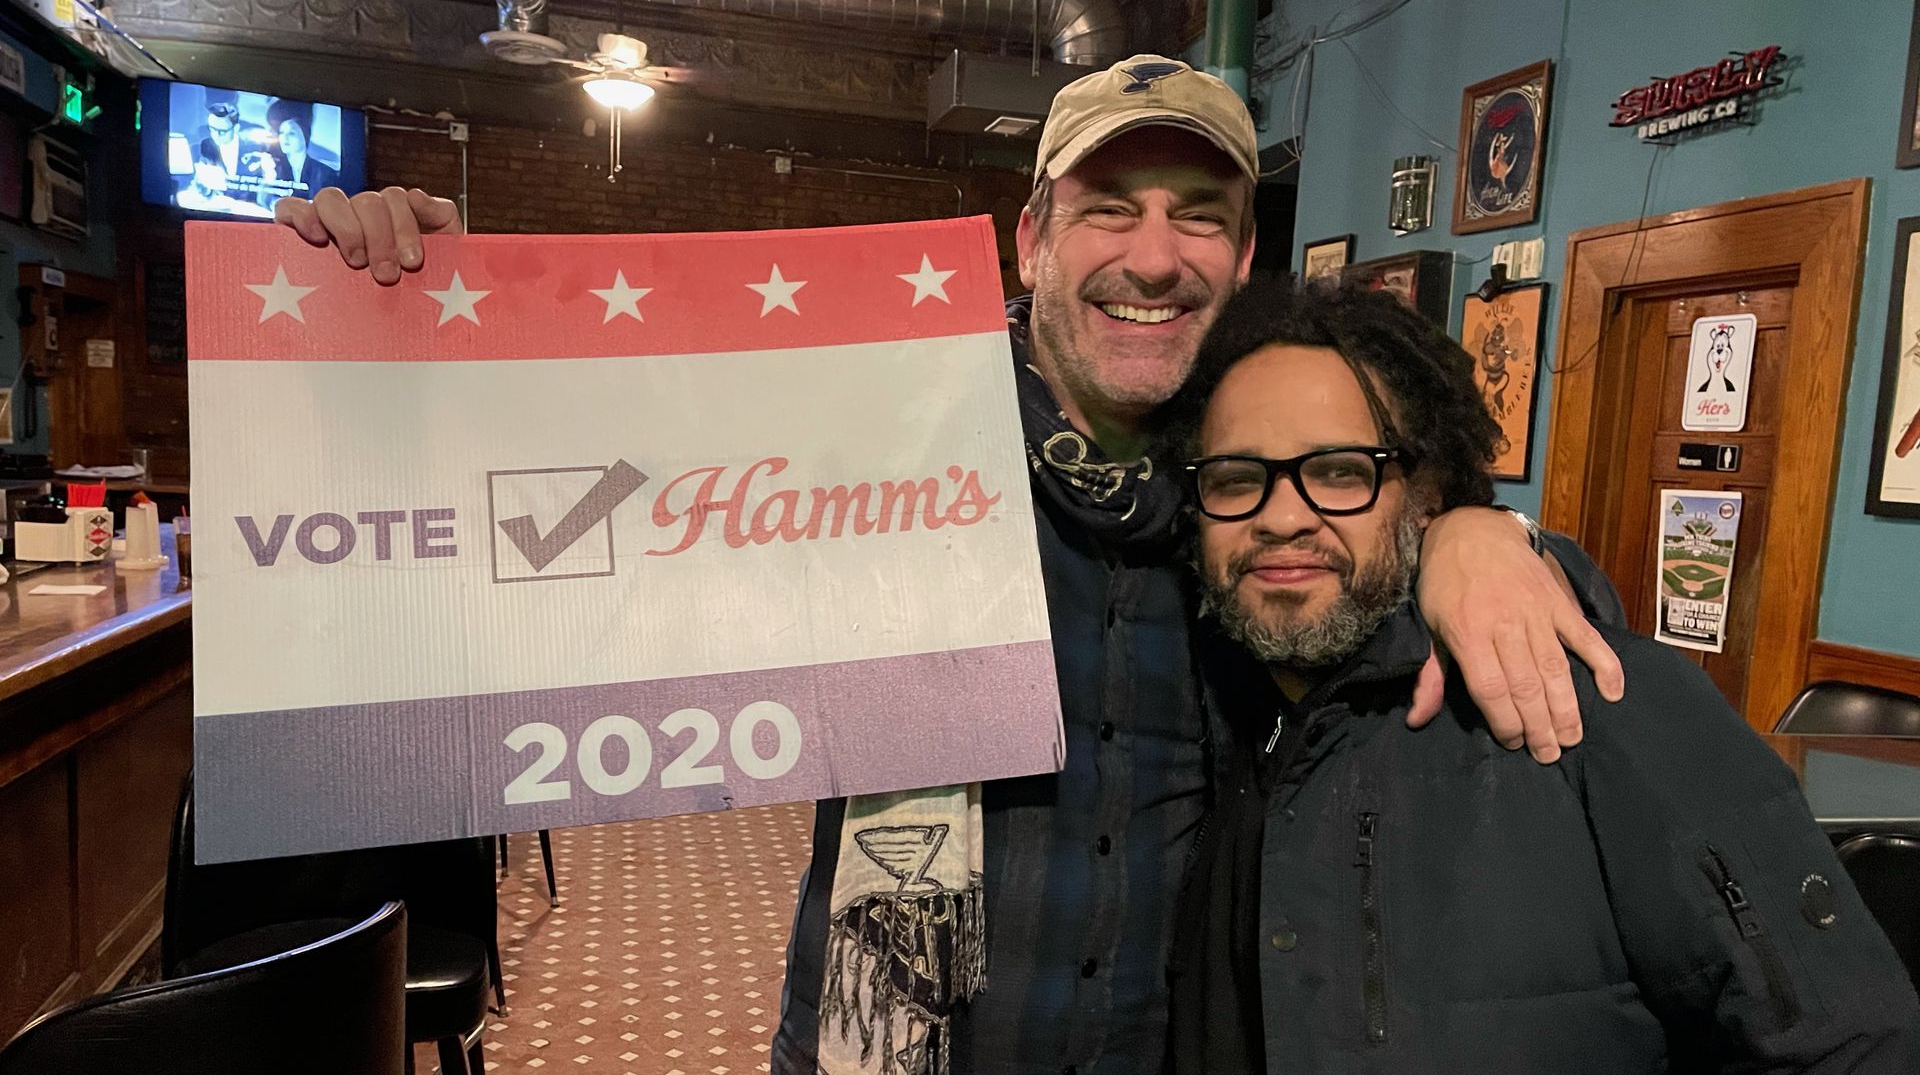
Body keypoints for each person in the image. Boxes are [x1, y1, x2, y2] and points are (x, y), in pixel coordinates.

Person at [274, 54, 1628, 1075]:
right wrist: (409, 330)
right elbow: (535, 505)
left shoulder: (1257, 492)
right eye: (1109, 208)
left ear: (1244, 252)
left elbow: (1407, 555)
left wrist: (1480, 533)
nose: (1153, 256)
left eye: (1198, 214)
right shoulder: (872, 424)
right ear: (1033, 236)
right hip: (890, 1047)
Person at [1158, 278, 1920, 1072]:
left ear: (1427, 494)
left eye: (1343, 472)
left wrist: (1498, 531)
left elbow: (1852, 1042)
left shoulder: (1607, 704)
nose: (1282, 516)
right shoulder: (1205, 705)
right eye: (1236, 478)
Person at [264, 99, 341, 201]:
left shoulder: (326, 170)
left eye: (291, 133)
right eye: (281, 132)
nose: (281, 138)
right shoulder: (270, 165)